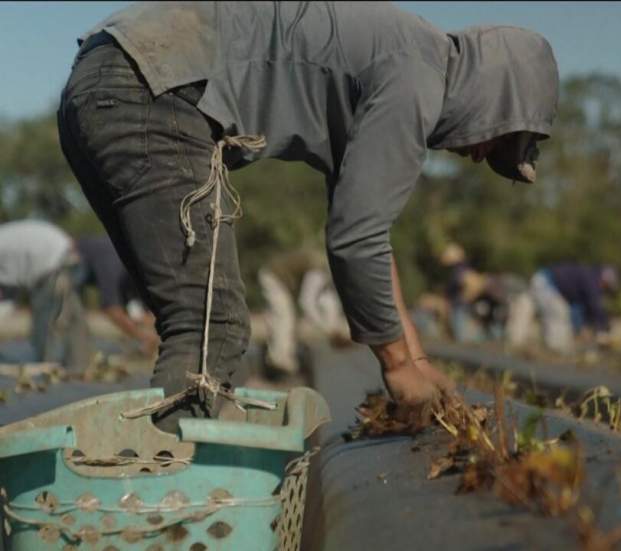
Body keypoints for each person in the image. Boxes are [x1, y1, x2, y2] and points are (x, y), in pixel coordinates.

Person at [57, 2, 559, 430]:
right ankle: (170, 511)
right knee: (213, 324)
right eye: (501, 139)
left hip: (108, 77)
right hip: (152, 87)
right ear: (495, 96)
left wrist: (418, 359)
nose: (482, 154)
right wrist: (400, 370)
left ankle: (161, 477)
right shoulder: (418, 79)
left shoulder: (409, 57)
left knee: (192, 321)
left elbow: (369, 236)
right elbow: (354, 240)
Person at [0, 220, 90, 369]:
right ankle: (77, 365)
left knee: (47, 318)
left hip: (55, 263)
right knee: (71, 316)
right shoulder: (6, 238)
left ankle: (48, 365)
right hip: (61, 256)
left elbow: (9, 286)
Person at [259, 248, 350, 375]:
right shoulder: (318, 268)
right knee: (284, 315)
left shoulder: (327, 269)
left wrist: (334, 327)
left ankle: (282, 356)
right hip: (273, 275)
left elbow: (329, 302)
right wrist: (329, 330)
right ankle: (279, 360)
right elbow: (307, 303)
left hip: (286, 281)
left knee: (286, 317)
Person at [75, 235, 159, 356]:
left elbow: (142, 314)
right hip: (68, 262)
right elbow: (111, 309)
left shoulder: (136, 268)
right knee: (73, 322)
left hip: (91, 266)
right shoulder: (113, 264)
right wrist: (143, 337)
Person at [528, 263, 618, 354]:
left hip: (545, 282)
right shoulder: (591, 279)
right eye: (607, 287)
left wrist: (579, 329)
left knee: (559, 314)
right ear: (605, 280)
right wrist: (603, 329)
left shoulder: (585, 284)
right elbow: (595, 307)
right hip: (545, 282)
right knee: (559, 313)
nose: (605, 291)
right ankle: (555, 352)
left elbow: (579, 311)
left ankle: (552, 349)